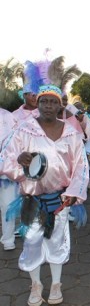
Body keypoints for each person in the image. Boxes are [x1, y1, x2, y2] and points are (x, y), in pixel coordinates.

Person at [0, 84, 89, 306]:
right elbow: (5, 160)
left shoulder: (71, 132)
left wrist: (73, 193)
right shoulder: (24, 129)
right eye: (43, 101)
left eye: (53, 101)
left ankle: (56, 284)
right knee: (31, 242)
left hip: (59, 200)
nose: (48, 106)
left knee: (58, 241)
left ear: (60, 105)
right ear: (37, 104)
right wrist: (19, 161)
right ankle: (36, 285)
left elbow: (81, 167)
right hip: (32, 200)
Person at [0, 107, 18, 250]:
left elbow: (15, 143)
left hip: (6, 171)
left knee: (7, 205)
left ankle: (8, 238)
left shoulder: (8, 116)